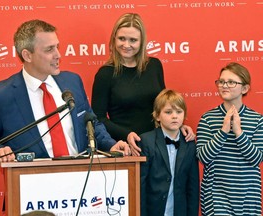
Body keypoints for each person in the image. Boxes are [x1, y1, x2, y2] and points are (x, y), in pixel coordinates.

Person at [0, 19, 130, 166]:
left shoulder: (72, 82)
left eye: (57, 47)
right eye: (49, 49)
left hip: (81, 179)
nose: (58, 55)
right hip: (33, 183)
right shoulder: (2, 95)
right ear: (27, 55)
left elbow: (91, 123)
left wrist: (111, 145)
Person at [91, 13, 195, 156]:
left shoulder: (154, 66)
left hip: (157, 146)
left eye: (133, 40)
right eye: (122, 38)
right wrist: (127, 134)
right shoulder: (105, 74)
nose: (126, 45)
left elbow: (165, 105)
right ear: (114, 38)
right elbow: (98, 118)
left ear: (141, 42)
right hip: (125, 148)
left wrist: (177, 126)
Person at [196, 62, 263, 215]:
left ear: (244, 88)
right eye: (221, 81)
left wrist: (238, 132)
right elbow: (203, 157)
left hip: (249, 197)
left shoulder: (257, 120)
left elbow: (256, 159)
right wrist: (224, 130)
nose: (224, 85)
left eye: (231, 82)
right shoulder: (208, 118)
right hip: (216, 197)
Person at [139, 89, 199, 216]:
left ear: (184, 115)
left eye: (179, 112)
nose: (174, 116)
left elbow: (192, 186)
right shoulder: (146, 141)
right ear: (157, 115)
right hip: (153, 210)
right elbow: (141, 185)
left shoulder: (189, 144)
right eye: (168, 112)